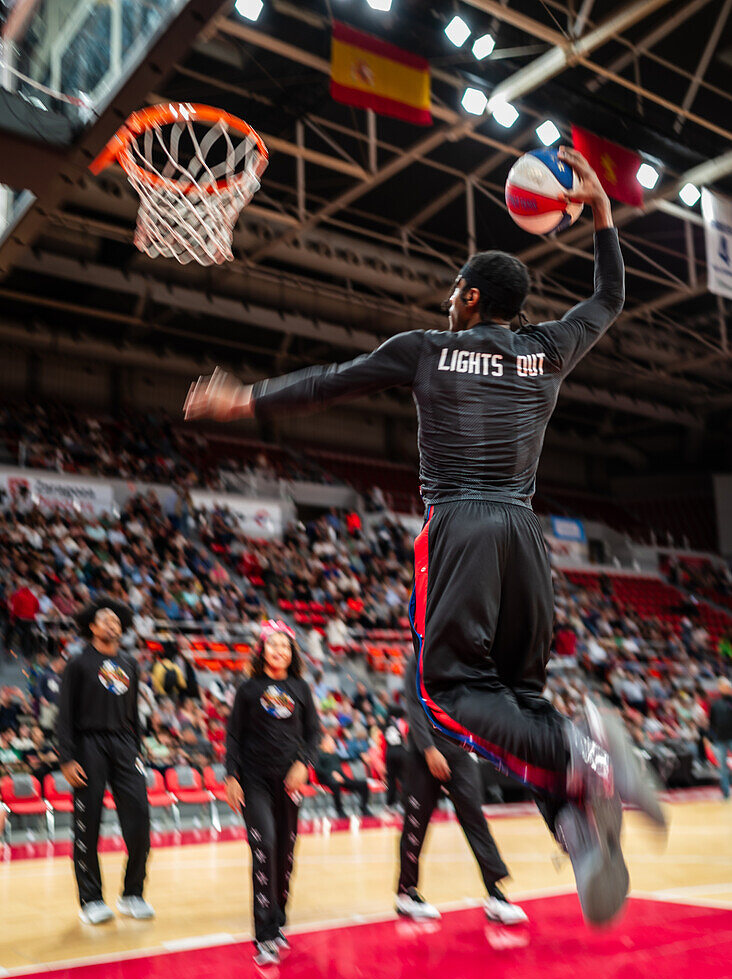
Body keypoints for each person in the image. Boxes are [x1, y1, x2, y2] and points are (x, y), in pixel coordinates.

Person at [185, 147, 665, 926]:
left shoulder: (428, 349)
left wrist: (244, 403)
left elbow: (329, 382)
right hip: (527, 539)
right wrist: (604, 218)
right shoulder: (547, 349)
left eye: (453, 292)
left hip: (463, 528)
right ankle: (577, 822)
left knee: (447, 694)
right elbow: (608, 297)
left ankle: (588, 759)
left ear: (470, 298)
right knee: (520, 697)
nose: (447, 301)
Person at [396, 658, 528, 925]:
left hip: (460, 753)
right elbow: (414, 705)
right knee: (416, 824)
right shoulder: (420, 658)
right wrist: (428, 750)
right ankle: (406, 894)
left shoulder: (463, 657)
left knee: (475, 820)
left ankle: (495, 895)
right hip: (425, 753)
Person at [225, 620, 319, 966]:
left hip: (289, 781)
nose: (279, 650)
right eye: (273, 644)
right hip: (254, 780)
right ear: (262, 649)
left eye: (285, 645)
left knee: (286, 855)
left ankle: (278, 921)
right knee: (264, 846)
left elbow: (313, 735)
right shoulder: (248, 689)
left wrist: (303, 763)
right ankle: (264, 934)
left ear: (291, 652)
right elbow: (233, 736)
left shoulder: (301, 689)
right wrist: (231, 776)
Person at [56, 598, 154, 925]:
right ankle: (91, 899)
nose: (112, 624)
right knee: (89, 825)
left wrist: (137, 749)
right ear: (92, 628)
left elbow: (134, 715)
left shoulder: (130, 664)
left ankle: (132, 893)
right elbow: (64, 715)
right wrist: (67, 758)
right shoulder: (78, 664)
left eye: (116, 620)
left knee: (140, 817)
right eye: (104, 620)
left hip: (125, 744)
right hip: (88, 744)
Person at [315, 731, 372, 819]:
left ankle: (364, 808)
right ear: (324, 743)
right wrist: (331, 773)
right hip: (327, 779)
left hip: (342, 778)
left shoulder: (335, 755)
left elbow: (348, 758)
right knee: (335, 784)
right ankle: (339, 810)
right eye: (331, 742)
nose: (334, 744)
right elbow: (318, 769)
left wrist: (361, 757)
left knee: (363, 784)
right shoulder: (319, 755)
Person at [708, 677, 732, 800]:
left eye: (728, 687)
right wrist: (711, 737)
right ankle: (725, 792)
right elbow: (711, 723)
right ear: (720, 688)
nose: (727, 689)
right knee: (722, 766)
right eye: (724, 687)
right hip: (720, 739)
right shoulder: (715, 704)